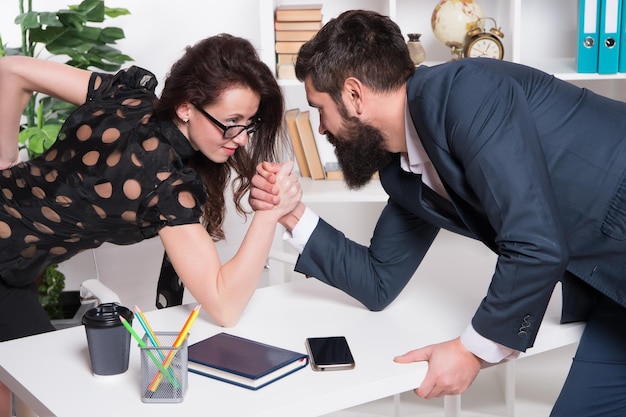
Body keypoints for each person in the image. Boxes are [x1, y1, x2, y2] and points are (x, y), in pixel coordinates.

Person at [250, 10, 626, 417]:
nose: (320, 128)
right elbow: (378, 281)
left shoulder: (468, 92)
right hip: (610, 286)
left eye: (319, 108)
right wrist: (292, 214)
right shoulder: (403, 170)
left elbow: (535, 244)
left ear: (354, 95)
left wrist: (472, 351)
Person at [0, 34, 301, 416]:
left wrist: (6, 157)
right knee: (39, 390)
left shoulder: (126, 99)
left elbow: (11, 70)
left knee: (25, 385)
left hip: (14, 272)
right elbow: (225, 305)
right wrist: (270, 213)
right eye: (230, 123)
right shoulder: (164, 185)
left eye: (248, 124)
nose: (240, 140)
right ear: (187, 108)